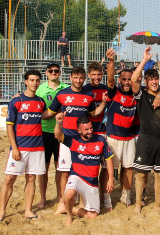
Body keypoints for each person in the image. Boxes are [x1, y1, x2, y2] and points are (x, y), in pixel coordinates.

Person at [42, 67, 107, 215]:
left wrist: (103, 103)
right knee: (64, 172)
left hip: (83, 141)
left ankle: (83, 202)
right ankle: (62, 202)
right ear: (70, 77)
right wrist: (32, 111)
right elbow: (50, 113)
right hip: (66, 139)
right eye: (76, 77)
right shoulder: (62, 94)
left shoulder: (89, 95)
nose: (78, 81)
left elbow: (93, 114)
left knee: (82, 172)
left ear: (85, 78)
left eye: (81, 78)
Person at [0, 70, 47, 221]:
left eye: (37, 80)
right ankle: (2, 211)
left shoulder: (41, 102)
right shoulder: (16, 101)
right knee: (9, 179)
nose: (34, 83)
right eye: (32, 80)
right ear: (26, 82)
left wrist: (59, 113)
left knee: (31, 179)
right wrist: (14, 147)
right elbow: (9, 126)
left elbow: (45, 114)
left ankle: (28, 210)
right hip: (19, 147)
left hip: (37, 147)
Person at [54, 114, 114, 226]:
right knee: (69, 194)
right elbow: (58, 135)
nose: (90, 131)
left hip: (92, 182)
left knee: (92, 216)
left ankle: (69, 209)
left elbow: (108, 159)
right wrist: (58, 123)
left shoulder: (100, 140)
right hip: (76, 176)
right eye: (86, 129)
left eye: (91, 128)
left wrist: (110, 178)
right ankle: (69, 217)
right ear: (79, 130)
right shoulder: (73, 140)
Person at [131, 47, 160, 213]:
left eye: (156, 78)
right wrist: (144, 60)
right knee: (142, 175)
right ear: (146, 81)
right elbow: (133, 79)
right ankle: (138, 204)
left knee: (159, 175)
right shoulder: (141, 94)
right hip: (145, 139)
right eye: (150, 79)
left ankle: (157, 205)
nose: (154, 81)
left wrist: (159, 93)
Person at [105, 48, 140, 206]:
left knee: (129, 168)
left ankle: (126, 195)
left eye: (130, 80)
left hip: (130, 138)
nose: (127, 82)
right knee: (107, 169)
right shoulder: (114, 92)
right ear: (120, 80)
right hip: (113, 138)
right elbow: (110, 79)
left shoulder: (137, 94)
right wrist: (111, 62)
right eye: (124, 79)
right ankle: (106, 197)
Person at [35, 62, 69, 209]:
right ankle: (43, 197)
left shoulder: (66, 88)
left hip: (62, 132)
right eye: (51, 71)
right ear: (47, 73)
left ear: (60, 73)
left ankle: (61, 197)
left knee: (60, 168)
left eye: (56, 71)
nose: (54, 73)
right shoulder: (40, 89)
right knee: (44, 167)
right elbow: (34, 106)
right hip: (43, 132)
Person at [83, 62, 111, 211]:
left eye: (99, 74)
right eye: (93, 74)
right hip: (88, 133)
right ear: (89, 75)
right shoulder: (85, 89)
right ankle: (89, 195)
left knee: (105, 167)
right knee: (89, 166)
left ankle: (104, 196)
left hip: (103, 131)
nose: (96, 77)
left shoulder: (105, 88)